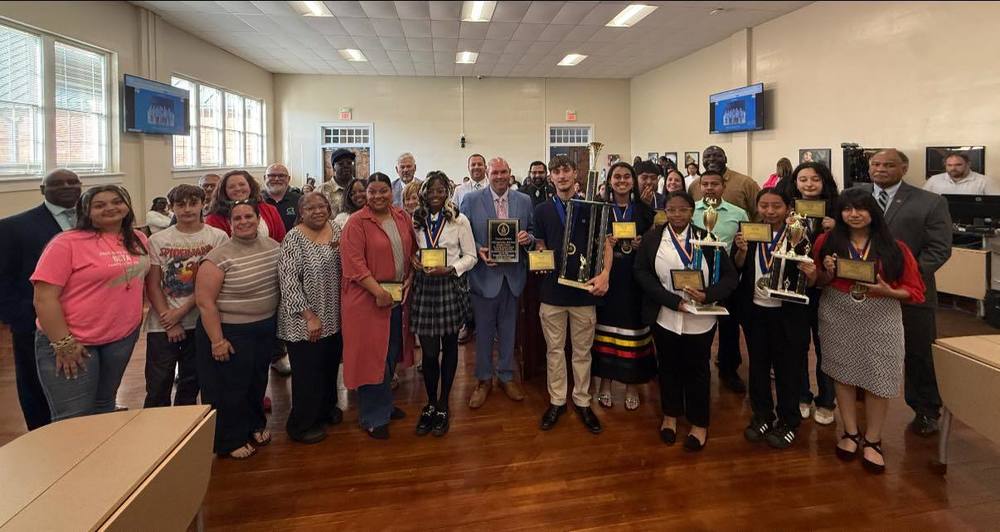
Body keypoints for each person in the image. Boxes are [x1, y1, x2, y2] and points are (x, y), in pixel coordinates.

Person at [814, 188, 926, 473]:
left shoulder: (894, 248)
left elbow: (915, 291)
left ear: (873, 212)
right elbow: (819, 282)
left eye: (860, 209)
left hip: (881, 315)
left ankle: (874, 440)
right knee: (842, 374)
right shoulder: (827, 241)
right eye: (847, 209)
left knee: (880, 377)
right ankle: (850, 433)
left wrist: (889, 291)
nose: (853, 214)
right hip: (838, 312)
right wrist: (826, 271)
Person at [32, 185, 150, 421]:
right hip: (74, 341)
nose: (110, 208)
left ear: (127, 206)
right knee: (74, 417)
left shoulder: (137, 238)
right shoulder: (66, 242)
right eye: (99, 205)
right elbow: (44, 298)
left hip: (121, 338)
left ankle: (101, 458)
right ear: (86, 211)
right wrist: (64, 343)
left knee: (104, 405)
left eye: (117, 201)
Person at [856, 149, 952, 436]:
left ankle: (925, 408)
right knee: (862, 346)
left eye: (888, 164)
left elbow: (938, 249)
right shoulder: (854, 196)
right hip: (863, 290)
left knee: (918, 352)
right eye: (875, 164)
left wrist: (902, 279)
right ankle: (861, 391)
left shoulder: (930, 201)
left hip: (910, 293)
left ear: (904, 167)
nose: (880, 169)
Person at [634, 191, 738, 451]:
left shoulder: (707, 238)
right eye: (672, 210)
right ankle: (670, 416)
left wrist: (707, 296)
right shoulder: (653, 238)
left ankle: (699, 422)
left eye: (683, 210)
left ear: (693, 212)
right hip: (666, 317)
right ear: (665, 212)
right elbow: (642, 273)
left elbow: (729, 278)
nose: (677, 215)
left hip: (699, 320)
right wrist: (672, 301)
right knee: (667, 368)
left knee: (698, 371)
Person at [195, 200, 281, 459]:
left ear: (258, 219)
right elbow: (204, 301)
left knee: (256, 382)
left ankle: (254, 425)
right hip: (230, 331)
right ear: (230, 224)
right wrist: (217, 340)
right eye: (238, 218)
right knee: (230, 388)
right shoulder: (218, 257)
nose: (244, 222)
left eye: (249, 217)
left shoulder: (274, 247)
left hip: (264, 327)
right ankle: (228, 439)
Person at [532, 155, 611, 433]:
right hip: (552, 292)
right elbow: (540, 243)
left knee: (582, 351)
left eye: (566, 170)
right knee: (554, 351)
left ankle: (582, 400)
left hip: (583, 291)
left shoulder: (592, 206)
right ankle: (556, 400)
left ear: (575, 174)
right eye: (556, 171)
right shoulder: (541, 210)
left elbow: (605, 243)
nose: (561, 176)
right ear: (550, 177)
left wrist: (605, 274)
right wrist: (539, 257)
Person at [732, 188, 815, 449]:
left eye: (776, 206)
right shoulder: (752, 233)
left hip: (787, 313)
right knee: (757, 367)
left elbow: (808, 277)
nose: (769, 211)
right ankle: (762, 416)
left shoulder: (798, 234)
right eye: (764, 206)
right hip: (756, 311)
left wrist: (810, 272)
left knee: (787, 369)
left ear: (788, 207)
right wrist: (742, 251)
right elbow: (739, 267)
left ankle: (789, 421)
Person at [0, 169, 81, 430]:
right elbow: (4, 278)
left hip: (85, 320)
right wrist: (21, 318)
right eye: (57, 183)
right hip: (34, 322)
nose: (67, 186)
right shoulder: (14, 227)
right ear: (42, 189)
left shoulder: (94, 220)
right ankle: (43, 438)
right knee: (36, 386)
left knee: (81, 382)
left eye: (72, 182)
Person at [341, 172, 417, 439]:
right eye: (372, 192)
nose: (377, 196)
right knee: (371, 358)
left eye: (383, 190)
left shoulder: (401, 216)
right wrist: (377, 291)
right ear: (365, 195)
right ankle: (373, 417)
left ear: (391, 191)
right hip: (367, 302)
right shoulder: (356, 223)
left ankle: (384, 404)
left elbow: (412, 254)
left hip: (396, 298)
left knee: (389, 354)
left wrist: (409, 277)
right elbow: (354, 265)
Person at [143, 184, 227, 408]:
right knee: (158, 383)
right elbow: (152, 284)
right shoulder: (158, 240)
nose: (187, 209)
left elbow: (211, 284)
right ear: (171, 208)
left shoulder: (218, 237)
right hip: (163, 323)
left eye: (193, 203)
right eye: (180, 205)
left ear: (203, 204)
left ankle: (186, 433)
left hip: (200, 321)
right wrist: (169, 321)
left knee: (191, 383)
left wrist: (181, 312)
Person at [459, 157, 534, 409]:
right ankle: (483, 380)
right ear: (488, 175)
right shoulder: (470, 201)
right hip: (483, 277)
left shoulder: (523, 201)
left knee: (509, 331)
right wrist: (479, 249)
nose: (500, 176)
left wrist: (528, 238)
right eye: (495, 172)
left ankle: (505, 375)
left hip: (513, 278)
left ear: (510, 174)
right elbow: (463, 237)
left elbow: (533, 231)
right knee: (483, 333)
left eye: (504, 172)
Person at [410, 172, 477, 437]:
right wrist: (414, 259)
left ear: (447, 191)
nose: (435, 194)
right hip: (425, 287)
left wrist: (451, 268)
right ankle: (429, 401)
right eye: (431, 190)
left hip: (449, 285)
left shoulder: (459, 220)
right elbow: (411, 249)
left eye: (440, 190)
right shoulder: (416, 219)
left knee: (450, 347)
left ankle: (443, 403)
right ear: (424, 192)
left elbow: (471, 256)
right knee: (428, 353)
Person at [278, 192, 345, 444]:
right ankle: (301, 424)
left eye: (322, 206)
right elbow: (289, 281)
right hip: (304, 320)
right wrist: (309, 316)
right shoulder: (293, 238)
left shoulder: (337, 229)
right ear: (301, 212)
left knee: (328, 369)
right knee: (308, 374)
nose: (317, 211)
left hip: (334, 315)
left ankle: (326, 409)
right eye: (310, 208)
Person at [592, 162, 655, 411]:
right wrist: (604, 242)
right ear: (609, 181)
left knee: (634, 329)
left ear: (633, 181)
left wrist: (643, 244)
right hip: (608, 277)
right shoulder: (601, 209)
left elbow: (653, 243)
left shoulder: (643, 210)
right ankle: (605, 384)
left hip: (634, 278)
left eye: (626, 177)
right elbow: (591, 242)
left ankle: (632, 385)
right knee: (605, 328)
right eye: (616, 177)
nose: (621, 181)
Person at [784, 162, 839, 425]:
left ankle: (827, 400)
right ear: (795, 182)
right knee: (797, 345)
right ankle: (801, 395)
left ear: (824, 181)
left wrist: (835, 228)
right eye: (803, 179)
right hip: (794, 286)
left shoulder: (838, 211)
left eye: (815, 179)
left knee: (826, 346)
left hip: (827, 289)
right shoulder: (787, 209)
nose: (808, 184)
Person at [692, 171, 749, 394]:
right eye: (704, 184)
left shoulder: (739, 213)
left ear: (723, 187)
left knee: (729, 327)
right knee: (698, 326)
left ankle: (728, 369)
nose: (709, 188)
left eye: (714, 184)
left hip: (726, 277)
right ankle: (697, 366)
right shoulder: (692, 211)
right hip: (697, 276)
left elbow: (743, 245)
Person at [205, 170, 287, 243]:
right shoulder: (214, 218)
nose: (237, 188)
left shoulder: (270, 210)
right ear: (224, 191)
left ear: (250, 187)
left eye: (242, 184)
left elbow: (281, 240)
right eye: (231, 186)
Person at [689, 145, 761, 219]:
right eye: (707, 156)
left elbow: (759, 214)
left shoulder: (746, 183)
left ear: (726, 159)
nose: (712, 159)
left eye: (717, 156)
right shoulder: (694, 186)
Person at [923, 151, 999, 195]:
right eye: (949, 165)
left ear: (968, 164)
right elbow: (923, 201)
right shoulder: (934, 180)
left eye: (958, 165)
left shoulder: (985, 181)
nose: (953, 168)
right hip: (940, 220)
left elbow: (996, 205)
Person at [262, 163, 303, 232]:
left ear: (289, 179)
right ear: (264, 178)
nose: (277, 179)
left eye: (281, 176)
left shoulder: (301, 201)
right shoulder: (256, 201)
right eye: (272, 175)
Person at [320, 148, 356, 218]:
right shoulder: (322, 190)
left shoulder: (360, 188)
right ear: (333, 168)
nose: (346, 166)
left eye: (349, 163)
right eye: (341, 164)